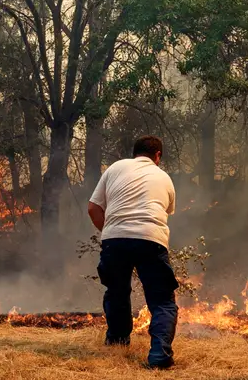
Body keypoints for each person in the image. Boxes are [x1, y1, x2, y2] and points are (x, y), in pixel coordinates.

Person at [87, 135, 178, 369]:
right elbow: (167, 210)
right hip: (150, 239)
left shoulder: (116, 168)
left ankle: (117, 342)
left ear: (134, 152)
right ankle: (159, 357)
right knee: (162, 301)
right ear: (157, 156)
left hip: (114, 240)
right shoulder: (163, 177)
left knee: (117, 291)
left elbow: (93, 207)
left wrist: (110, 231)